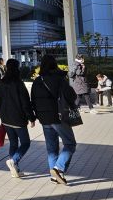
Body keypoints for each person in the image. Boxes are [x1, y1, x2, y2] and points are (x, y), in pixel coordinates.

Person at [31, 54, 78, 184]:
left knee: (51, 149)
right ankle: (58, 168)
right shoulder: (59, 79)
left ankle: (54, 175)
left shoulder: (37, 81)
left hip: (43, 118)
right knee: (70, 143)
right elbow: (71, 95)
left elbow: (33, 100)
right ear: (54, 64)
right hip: (58, 116)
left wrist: (35, 116)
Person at [0, 58, 36, 177]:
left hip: (6, 119)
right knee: (25, 143)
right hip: (18, 119)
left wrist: (2, 114)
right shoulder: (19, 83)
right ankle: (13, 161)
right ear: (17, 69)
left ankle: (15, 170)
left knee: (13, 143)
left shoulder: (2, 82)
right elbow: (25, 103)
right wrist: (31, 118)